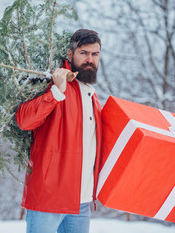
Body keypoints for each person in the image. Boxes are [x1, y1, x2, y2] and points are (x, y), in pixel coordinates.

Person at [15, 29, 102, 233]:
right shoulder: (53, 82)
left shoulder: (92, 94)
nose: (90, 59)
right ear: (70, 54)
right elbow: (24, 120)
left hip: (81, 202)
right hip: (49, 197)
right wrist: (56, 90)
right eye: (84, 53)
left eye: (95, 54)